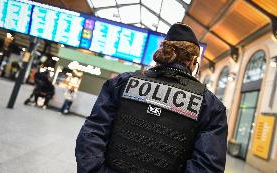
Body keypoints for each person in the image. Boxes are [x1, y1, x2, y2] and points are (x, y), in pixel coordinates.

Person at [75, 23, 228, 173]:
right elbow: (207, 166)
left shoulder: (122, 83)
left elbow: (93, 132)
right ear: (193, 61)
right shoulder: (210, 106)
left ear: (163, 50)